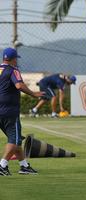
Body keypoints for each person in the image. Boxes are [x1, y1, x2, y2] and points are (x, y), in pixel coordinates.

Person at [0, 47, 44, 176]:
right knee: (14, 140)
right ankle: (2, 166)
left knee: (17, 139)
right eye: (16, 60)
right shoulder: (13, 70)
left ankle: (24, 166)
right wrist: (34, 94)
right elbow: (19, 85)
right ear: (13, 59)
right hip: (9, 111)